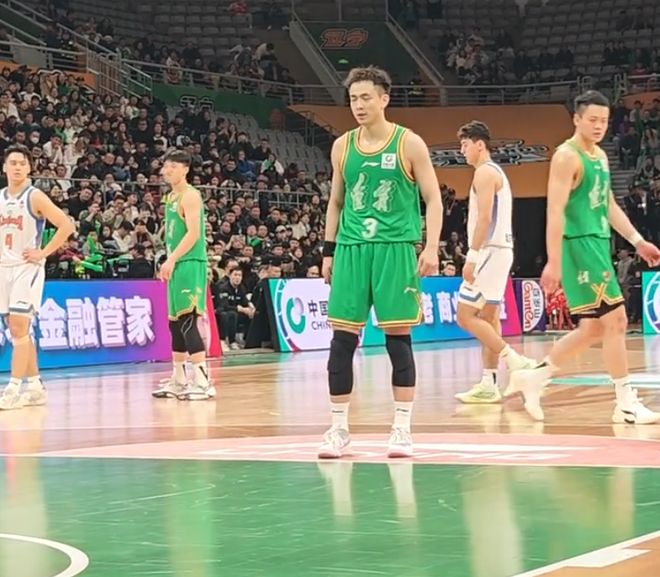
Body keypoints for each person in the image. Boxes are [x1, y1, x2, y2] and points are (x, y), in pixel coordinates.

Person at [511, 90, 660, 423]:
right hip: (579, 244)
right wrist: (553, 260)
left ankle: (535, 376)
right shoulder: (567, 156)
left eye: (604, 121)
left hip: (597, 242)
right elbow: (555, 210)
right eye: (592, 119)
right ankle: (625, 402)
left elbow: (607, 204)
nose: (598, 126)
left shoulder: (601, 156)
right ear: (576, 119)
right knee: (617, 320)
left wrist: (637, 241)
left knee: (592, 328)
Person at [318, 66, 443, 459]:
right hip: (352, 249)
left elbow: (433, 199)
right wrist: (328, 250)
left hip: (395, 248)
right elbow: (336, 201)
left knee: (397, 340)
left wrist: (431, 247)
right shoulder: (342, 146)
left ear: (384, 99)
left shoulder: (409, 143)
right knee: (341, 341)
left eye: (366, 97)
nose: (358, 105)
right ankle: (338, 429)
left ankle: (402, 429)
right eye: (353, 98)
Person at [453, 121, 537, 404]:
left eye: (465, 145)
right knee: (489, 318)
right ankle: (489, 383)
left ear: (480, 144)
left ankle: (516, 361)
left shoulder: (485, 173)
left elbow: (485, 218)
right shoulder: (496, 172)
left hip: (490, 251)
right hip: (501, 250)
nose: (462, 151)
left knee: (464, 316)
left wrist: (472, 256)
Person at [0, 144, 75, 410]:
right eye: (13, 162)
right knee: (15, 329)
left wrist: (43, 252)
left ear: (30, 168)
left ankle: (13, 388)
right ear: (4, 167)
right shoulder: (0, 198)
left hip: (26, 268)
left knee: (19, 327)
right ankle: (34, 386)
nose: (17, 167)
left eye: (22, 163)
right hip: (3, 268)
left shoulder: (35, 196)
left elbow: (67, 225)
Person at [152, 149, 214, 401]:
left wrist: (172, 259)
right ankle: (178, 379)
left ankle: (203, 381)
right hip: (177, 263)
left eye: (173, 167)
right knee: (175, 323)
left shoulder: (190, 196)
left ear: (185, 170)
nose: (167, 170)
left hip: (189, 262)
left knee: (188, 320)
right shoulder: (170, 197)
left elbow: (194, 233)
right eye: (166, 166)